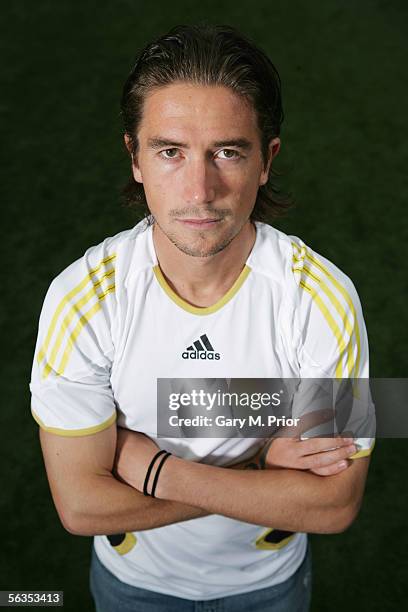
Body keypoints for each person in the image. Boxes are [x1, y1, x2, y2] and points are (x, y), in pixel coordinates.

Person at [30, 23, 375, 612]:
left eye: (227, 152)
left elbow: (336, 506)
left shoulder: (326, 299)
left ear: (266, 160)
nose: (199, 189)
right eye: (170, 152)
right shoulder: (79, 298)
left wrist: (152, 468)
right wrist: (265, 464)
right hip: (133, 583)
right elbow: (81, 508)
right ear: (134, 158)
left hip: (268, 583)